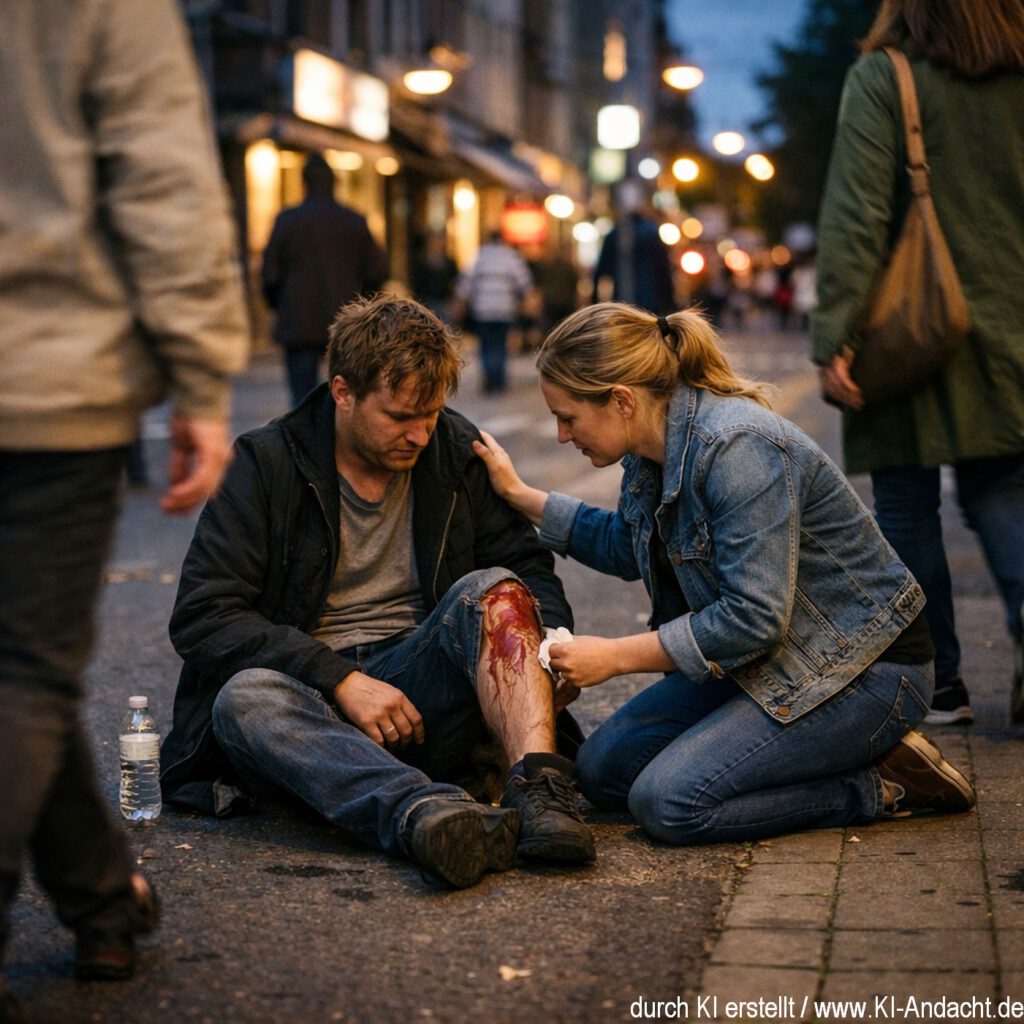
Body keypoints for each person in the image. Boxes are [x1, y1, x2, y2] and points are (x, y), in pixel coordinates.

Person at [473, 303, 976, 847]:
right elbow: (629, 545)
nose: (561, 435)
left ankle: (881, 784)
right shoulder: (649, 448)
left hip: (862, 672)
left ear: (621, 400)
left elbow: (753, 619)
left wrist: (614, 658)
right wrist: (521, 497)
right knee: (602, 772)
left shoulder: (739, 448)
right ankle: (818, 753)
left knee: (668, 803)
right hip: (764, 663)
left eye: (568, 417)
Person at [160, 294, 595, 890]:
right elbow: (204, 616)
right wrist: (339, 679)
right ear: (343, 392)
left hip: (426, 692)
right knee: (244, 700)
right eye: (399, 417)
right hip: (316, 703)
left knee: (496, 589)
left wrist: (547, 648)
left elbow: (525, 567)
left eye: (432, 415)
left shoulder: (454, 449)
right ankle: (427, 815)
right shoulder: (265, 462)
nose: (419, 435)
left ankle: (538, 791)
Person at [0, 0, 249, 1016]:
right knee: (24, 671)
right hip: (44, 369)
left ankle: (106, 901)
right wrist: (202, 377)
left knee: (20, 674)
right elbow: (165, 181)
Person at [812, 0, 1024, 726]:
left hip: (910, 326)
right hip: (1012, 319)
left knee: (906, 503)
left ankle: (937, 683)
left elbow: (856, 213)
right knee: (1005, 491)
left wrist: (835, 332)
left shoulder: (886, 77)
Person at [262, 153, 386, 407]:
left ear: (304, 183)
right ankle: (338, 442)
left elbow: (270, 274)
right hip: (346, 322)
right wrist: (362, 307)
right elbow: (377, 271)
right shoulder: (354, 222)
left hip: (298, 320)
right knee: (347, 395)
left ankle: (306, 443)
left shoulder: (287, 221)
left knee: (302, 399)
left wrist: (280, 304)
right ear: (334, 183)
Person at [455, 231, 534, 394]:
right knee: (500, 343)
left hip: (483, 310)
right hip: (505, 309)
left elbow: (464, 284)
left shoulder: (479, 256)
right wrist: (526, 300)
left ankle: (490, 379)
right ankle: (499, 379)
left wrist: (461, 302)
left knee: (486, 344)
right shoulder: (511, 257)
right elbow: (525, 283)